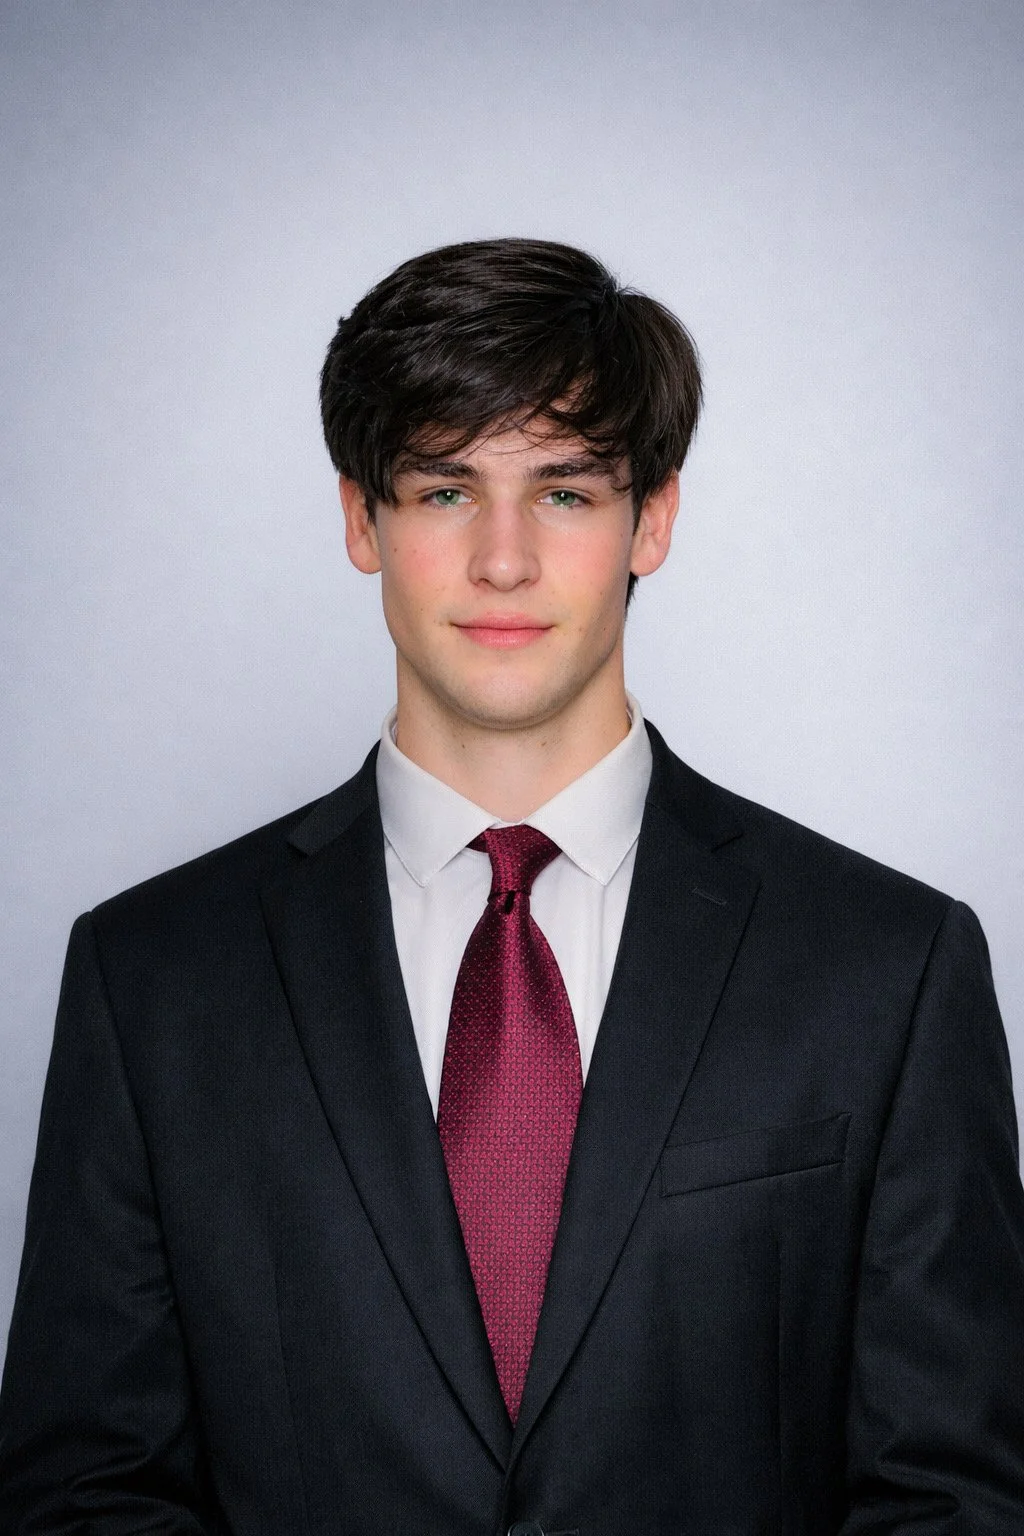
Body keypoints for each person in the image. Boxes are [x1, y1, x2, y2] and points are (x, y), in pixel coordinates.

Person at [1, 238, 1023, 1535]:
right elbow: (84, 1492)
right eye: (443, 489)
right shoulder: (149, 979)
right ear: (360, 520)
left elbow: (953, 1497)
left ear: (654, 518)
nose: (502, 560)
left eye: (564, 491)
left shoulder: (891, 969)